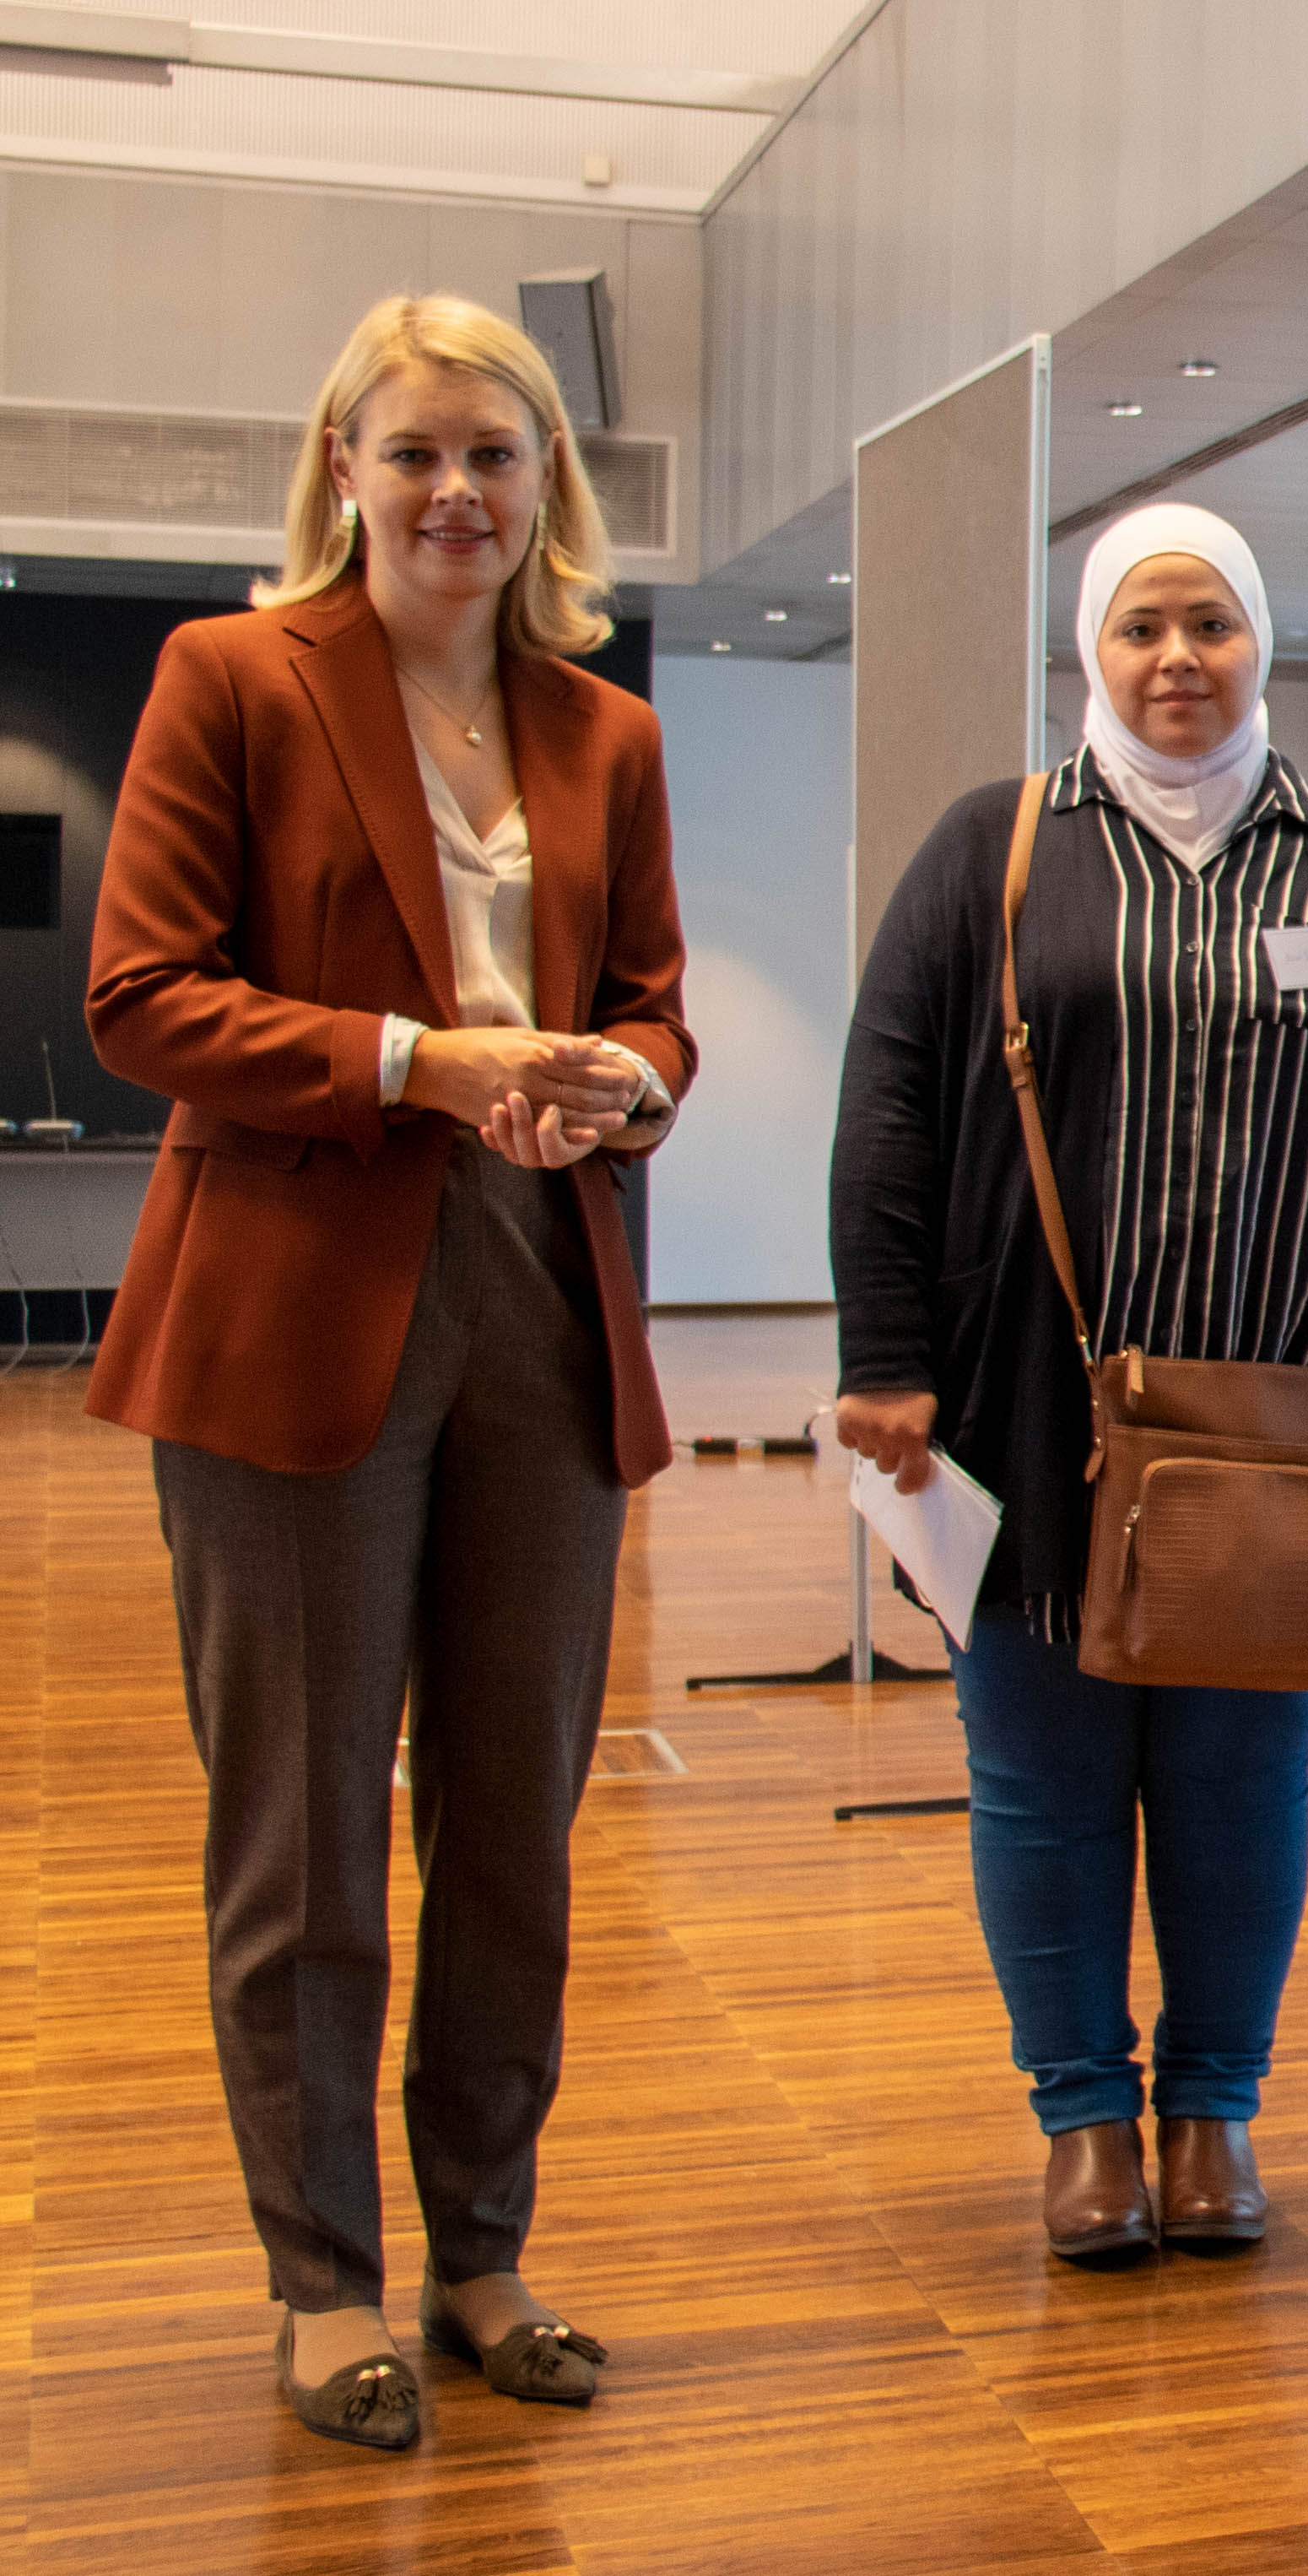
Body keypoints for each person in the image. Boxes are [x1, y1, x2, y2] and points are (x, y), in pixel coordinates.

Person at [84, 293, 692, 2449]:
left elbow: (653, 1005)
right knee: (310, 1830)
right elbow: (144, 997)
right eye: (415, 451)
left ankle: (485, 2246)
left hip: (541, 1288)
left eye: (495, 457)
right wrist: (425, 1061)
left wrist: (621, 1076)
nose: (455, 494)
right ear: (342, 465)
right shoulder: (231, 681)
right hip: (289, 1309)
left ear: (551, 489)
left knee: (516, 1826)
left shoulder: (600, 728)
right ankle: (321, 2276)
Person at [830, 504, 1308, 2264]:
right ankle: (1080, 2120)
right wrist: (880, 1358)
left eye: (1208, 623)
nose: (1176, 658)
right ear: (1089, 655)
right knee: (1037, 1772)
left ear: (1259, 641)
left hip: (1275, 1417)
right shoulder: (997, 852)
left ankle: (1212, 2113)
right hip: (1025, 1404)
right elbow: (886, 1114)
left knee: (1235, 1779)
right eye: (1139, 629)